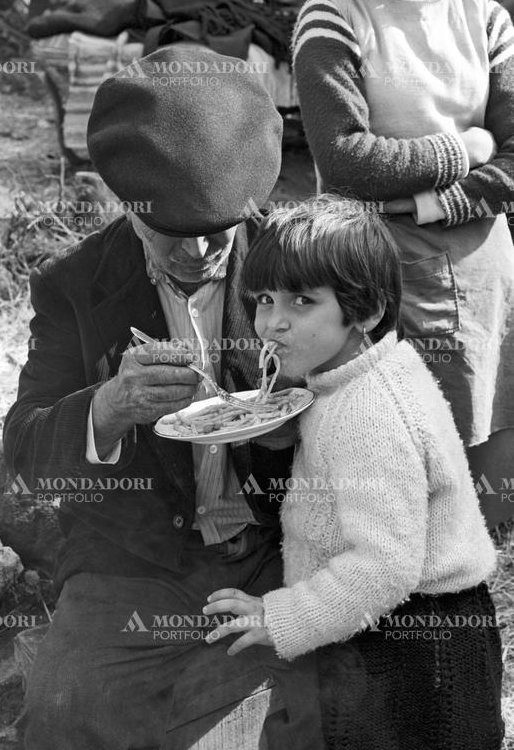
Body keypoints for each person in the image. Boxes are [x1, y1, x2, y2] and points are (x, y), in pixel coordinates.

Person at [3, 45, 324, 750]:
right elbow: (25, 447)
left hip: (276, 544)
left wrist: (297, 425)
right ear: (129, 204)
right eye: (175, 237)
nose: (200, 256)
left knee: (311, 708)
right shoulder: (77, 285)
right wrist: (108, 408)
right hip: (134, 560)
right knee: (65, 712)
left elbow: (378, 406)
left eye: (219, 234)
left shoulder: (302, 264)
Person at [203, 195, 504, 750]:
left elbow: (385, 565)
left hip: (417, 644)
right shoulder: (351, 378)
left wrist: (283, 617)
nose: (272, 322)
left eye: (301, 301)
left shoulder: (366, 410)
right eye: (263, 299)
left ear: (364, 311)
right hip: (385, 624)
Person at [291, 0, 514, 526]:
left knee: (479, 421)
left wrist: (428, 201)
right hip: (368, 259)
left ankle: (461, 568)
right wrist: (466, 148)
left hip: (479, 258)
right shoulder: (333, 14)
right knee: (382, 435)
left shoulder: (487, 18)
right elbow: (346, 161)